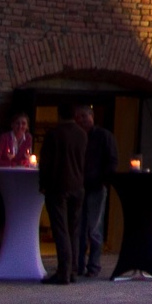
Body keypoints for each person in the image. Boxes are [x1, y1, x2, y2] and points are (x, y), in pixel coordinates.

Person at [37, 111, 88, 285]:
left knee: (61, 230)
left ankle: (63, 272)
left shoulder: (54, 134)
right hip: (77, 186)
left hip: (58, 186)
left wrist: (43, 183)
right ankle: (73, 270)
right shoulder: (82, 134)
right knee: (73, 230)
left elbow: (46, 161)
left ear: (59, 115)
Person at [74, 105, 117, 277]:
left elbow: (112, 160)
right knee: (79, 229)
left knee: (94, 228)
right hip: (79, 187)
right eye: (78, 117)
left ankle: (93, 265)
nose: (81, 120)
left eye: (84, 116)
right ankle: (78, 264)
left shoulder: (104, 136)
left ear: (92, 116)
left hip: (96, 187)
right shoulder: (76, 136)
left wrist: (103, 180)